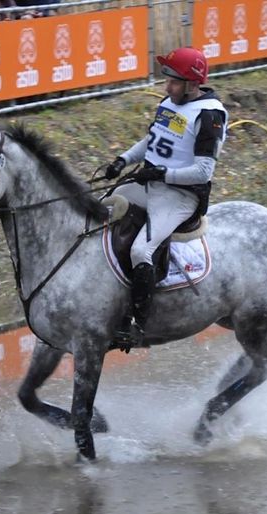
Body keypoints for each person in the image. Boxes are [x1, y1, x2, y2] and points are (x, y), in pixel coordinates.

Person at [102, 46, 227, 344]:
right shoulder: (170, 102)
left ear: (192, 84)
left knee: (139, 251)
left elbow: (203, 172)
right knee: (98, 210)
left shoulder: (209, 116)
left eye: (172, 81)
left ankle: (136, 323)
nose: (166, 86)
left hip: (181, 197)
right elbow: (153, 139)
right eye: (167, 80)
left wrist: (161, 174)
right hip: (150, 184)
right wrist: (123, 160)